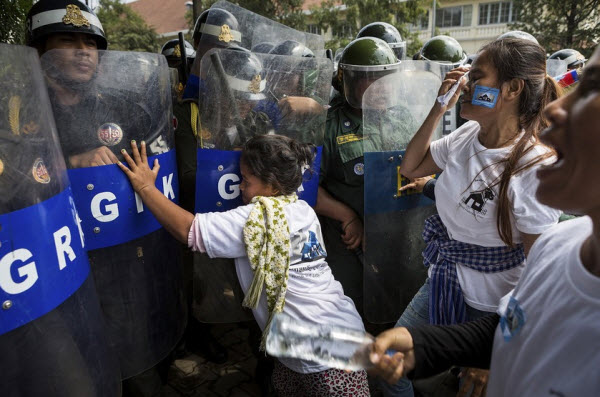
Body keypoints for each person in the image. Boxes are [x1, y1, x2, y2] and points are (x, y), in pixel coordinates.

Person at [370, 44, 600, 397]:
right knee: (391, 369)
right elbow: (411, 167)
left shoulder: (531, 166)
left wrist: (492, 354)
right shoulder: (465, 136)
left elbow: (531, 280)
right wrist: (439, 105)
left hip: (493, 298)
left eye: (476, 77)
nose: (463, 84)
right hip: (446, 278)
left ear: (511, 89)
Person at [117, 134, 370, 396]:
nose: (239, 188)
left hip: (331, 358)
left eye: (245, 182)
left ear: (272, 185)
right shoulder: (302, 209)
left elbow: (187, 230)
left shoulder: (257, 219)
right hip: (316, 342)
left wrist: (146, 188)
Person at [26, 1, 186, 395]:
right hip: (51, 264)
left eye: (91, 42)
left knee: (134, 354)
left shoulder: (121, 106)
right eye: (68, 40)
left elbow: (152, 157)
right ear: (40, 50)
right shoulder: (18, 111)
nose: (83, 51)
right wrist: (66, 163)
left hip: (119, 257)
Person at [316, 37, 428, 322]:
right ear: (350, 82)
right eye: (370, 80)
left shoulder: (403, 117)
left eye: (386, 79)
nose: (381, 88)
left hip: (400, 237)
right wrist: (347, 216)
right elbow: (306, 187)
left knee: (399, 307)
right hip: (350, 244)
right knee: (354, 311)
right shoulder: (328, 127)